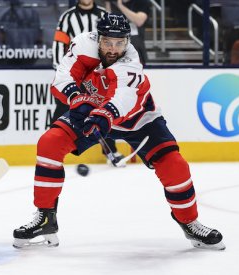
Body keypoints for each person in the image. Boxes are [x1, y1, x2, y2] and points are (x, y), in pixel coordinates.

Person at [13, 13, 225, 251]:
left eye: (120, 43)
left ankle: (189, 222)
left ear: (127, 42)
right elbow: (63, 75)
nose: (113, 49)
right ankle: (45, 218)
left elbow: (122, 98)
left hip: (138, 119)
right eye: (107, 42)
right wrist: (78, 100)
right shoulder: (84, 43)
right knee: (49, 143)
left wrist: (102, 116)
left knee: (175, 165)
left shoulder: (132, 60)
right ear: (98, 38)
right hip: (92, 110)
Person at [52, 0, 125, 166]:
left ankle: (110, 150)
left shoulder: (103, 15)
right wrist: (62, 72)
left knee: (102, 111)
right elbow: (58, 45)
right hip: (75, 74)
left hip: (98, 76)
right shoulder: (67, 17)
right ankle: (53, 150)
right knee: (62, 110)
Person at [106, 0, 150, 66]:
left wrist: (120, 6)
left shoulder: (142, 2)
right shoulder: (109, 2)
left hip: (135, 48)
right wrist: (107, 3)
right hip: (114, 49)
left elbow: (139, 21)